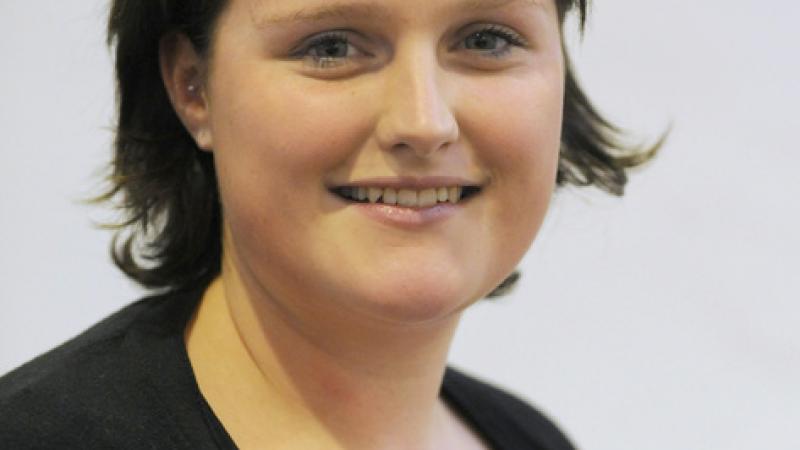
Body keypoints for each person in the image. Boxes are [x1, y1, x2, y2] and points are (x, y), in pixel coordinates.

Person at [0, 0, 659, 448]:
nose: (425, 123)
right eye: (332, 46)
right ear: (193, 87)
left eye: (486, 39)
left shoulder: (526, 438)